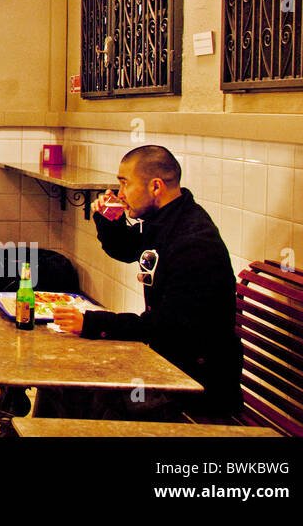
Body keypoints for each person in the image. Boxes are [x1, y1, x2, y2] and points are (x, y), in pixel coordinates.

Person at [49, 145, 243, 420]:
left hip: (194, 385)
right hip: (168, 363)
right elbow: (127, 249)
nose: (119, 194)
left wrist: (95, 323)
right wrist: (108, 220)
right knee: (63, 376)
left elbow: (167, 327)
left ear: (155, 187)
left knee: (82, 391)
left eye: (124, 183)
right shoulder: (167, 220)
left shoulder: (195, 243)